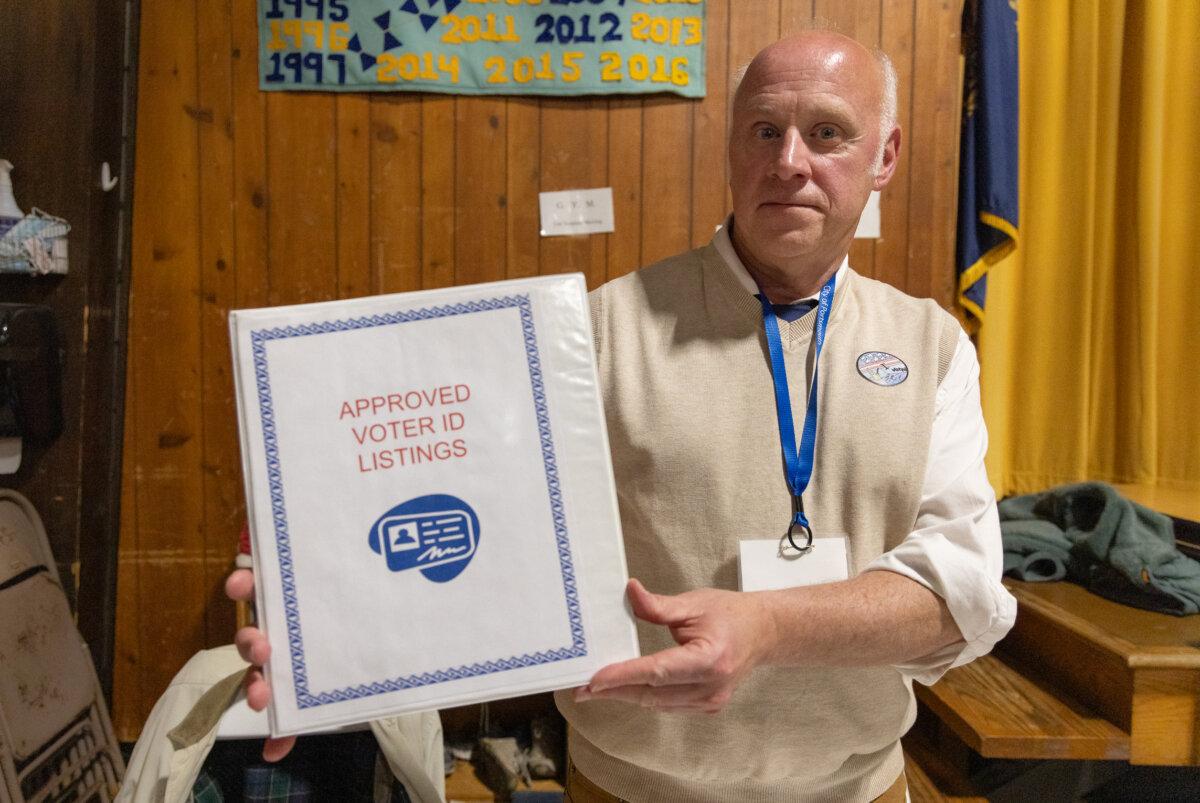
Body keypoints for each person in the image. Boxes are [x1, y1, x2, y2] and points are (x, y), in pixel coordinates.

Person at [229, 29, 1016, 802]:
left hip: (857, 786)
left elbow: (960, 588)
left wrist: (768, 625)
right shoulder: (597, 331)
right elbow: (483, 534)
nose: (789, 162)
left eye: (828, 133)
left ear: (885, 156)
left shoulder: (932, 345)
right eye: (765, 131)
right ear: (732, 149)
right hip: (630, 786)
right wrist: (327, 640)